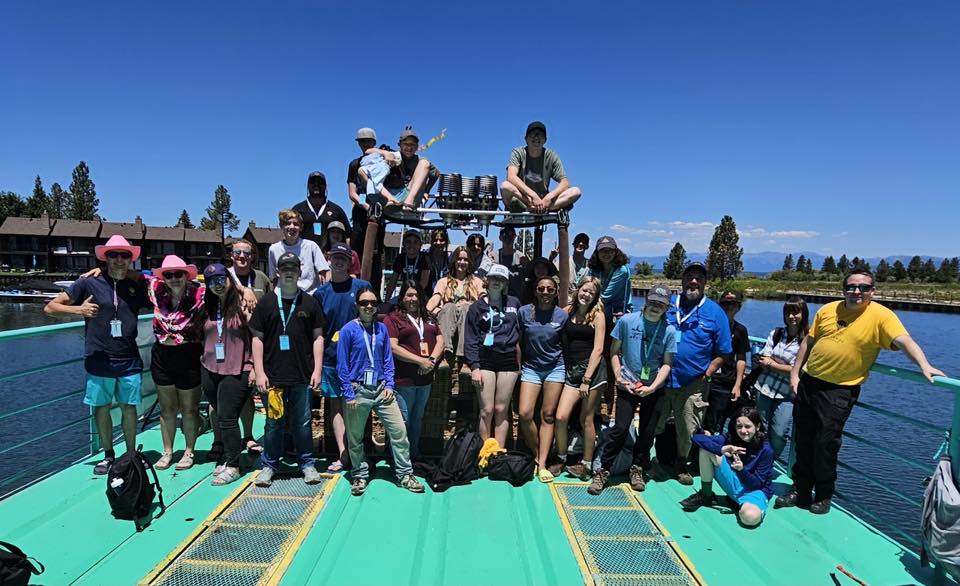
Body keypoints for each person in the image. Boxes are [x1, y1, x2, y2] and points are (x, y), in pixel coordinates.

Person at [778, 269, 945, 514]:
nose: (857, 291)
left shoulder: (881, 316)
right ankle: (800, 490)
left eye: (864, 287)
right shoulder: (828, 309)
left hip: (839, 390)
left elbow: (904, 341)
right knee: (803, 439)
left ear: (872, 291)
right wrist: (795, 373)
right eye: (852, 286)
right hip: (809, 383)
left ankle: (823, 495)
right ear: (843, 289)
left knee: (825, 443)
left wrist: (924, 364)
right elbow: (808, 342)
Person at [44, 235, 149, 474]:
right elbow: (50, 307)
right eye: (114, 255)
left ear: (131, 259)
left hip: (129, 358)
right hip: (99, 358)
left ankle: (131, 454)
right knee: (101, 408)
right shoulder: (87, 283)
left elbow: (162, 285)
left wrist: (138, 276)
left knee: (129, 408)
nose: (119, 260)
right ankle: (108, 455)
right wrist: (78, 309)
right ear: (105, 258)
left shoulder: (136, 284)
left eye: (125, 256)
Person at [589, 284, 677, 495]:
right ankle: (603, 470)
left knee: (647, 432)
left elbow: (667, 363)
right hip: (628, 385)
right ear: (646, 300)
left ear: (667, 308)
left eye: (661, 305)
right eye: (653, 302)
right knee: (619, 428)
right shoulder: (627, 322)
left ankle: (637, 469)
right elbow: (614, 351)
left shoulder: (669, 330)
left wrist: (654, 386)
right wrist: (618, 377)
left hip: (653, 388)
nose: (656, 307)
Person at [338, 287, 424, 496]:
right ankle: (359, 474)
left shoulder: (381, 329)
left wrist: (389, 385)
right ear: (357, 306)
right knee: (355, 437)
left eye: (373, 303)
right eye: (364, 303)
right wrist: (348, 394)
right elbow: (342, 365)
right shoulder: (348, 330)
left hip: (381, 389)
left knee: (399, 431)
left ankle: (405, 474)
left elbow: (387, 359)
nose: (369, 306)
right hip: (358, 390)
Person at [249, 252, 325, 487]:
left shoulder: (310, 302)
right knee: (274, 422)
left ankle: (307, 464)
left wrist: (317, 370)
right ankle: (269, 465)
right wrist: (259, 372)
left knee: (302, 421)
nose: (289, 272)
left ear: (299, 272)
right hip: (274, 377)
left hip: (302, 375)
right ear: (278, 272)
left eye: (293, 268)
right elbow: (257, 339)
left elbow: (318, 338)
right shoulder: (267, 303)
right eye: (285, 268)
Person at [661, 261, 732, 485]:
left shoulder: (715, 312)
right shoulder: (669, 304)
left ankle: (682, 464)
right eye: (689, 276)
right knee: (654, 422)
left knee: (688, 427)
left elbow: (724, 351)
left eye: (699, 278)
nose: (694, 281)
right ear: (682, 280)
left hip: (693, 382)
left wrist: (708, 372)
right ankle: (643, 459)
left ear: (704, 283)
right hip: (661, 378)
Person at [312, 243, 371, 472]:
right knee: (335, 405)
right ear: (329, 260)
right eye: (335, 257)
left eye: (343, 259)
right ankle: (343, 453)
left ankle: (359, 451)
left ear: (350, 263)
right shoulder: (320, 294)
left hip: (358, 359)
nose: (339, 262)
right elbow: (316, 330)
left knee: (357, 405)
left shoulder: (361, 287)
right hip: (330, 359)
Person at [148, 255, 206, 471]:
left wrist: (245, 291)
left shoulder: (200, 294)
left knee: (189, 409)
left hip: (189, 354)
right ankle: (168, 451)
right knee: (167, 409)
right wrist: (97, 270)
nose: (174, 278)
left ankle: (189, 451)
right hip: (162, 356)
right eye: (168, 275)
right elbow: (131, 275)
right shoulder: (155, 292)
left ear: (186, 275)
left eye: (178, 274)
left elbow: (226, 287)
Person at [199, 263, 255, 485]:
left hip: (237, 367)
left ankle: (233, 464)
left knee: (227, 417)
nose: (218, 285)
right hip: (210, 367)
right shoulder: (207, 306)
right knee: (220, 413)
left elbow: (257, 336)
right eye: (212, 282)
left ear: (231, 280)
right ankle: (229, 455)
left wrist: (255, 368)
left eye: (222, 279)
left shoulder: (244, 304)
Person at [681, 407, 775, 527]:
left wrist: (742, 470)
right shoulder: (731, 438)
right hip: (735, 480)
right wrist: (721, 449)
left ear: (757, 427)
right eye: (739, 426)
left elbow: (756, 484)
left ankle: (744, 505)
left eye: (748, 426)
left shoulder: (766, 450)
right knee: (706, 450)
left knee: (749, 518)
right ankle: (706, 495)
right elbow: (696, 438)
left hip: (754, 490)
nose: (743, 431)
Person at [555, 277, 607, 480]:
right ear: (578, 290)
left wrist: (586, 379)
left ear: (595, 297)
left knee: (586, 418)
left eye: (591, 293)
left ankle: (586, 464)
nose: (586, 295)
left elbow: (599, 348)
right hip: (573, 371)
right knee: (561, 417)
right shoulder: (568, 312)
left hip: (592, 373)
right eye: (584, 290)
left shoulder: (598, 316)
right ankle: (561, 457)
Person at [384, 281, 444, 460]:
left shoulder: (429, 318)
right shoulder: (393, 319)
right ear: (402, 297)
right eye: (409, 295)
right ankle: (399, 459)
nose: (413, 299)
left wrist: (431, 361)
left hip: (425, 380)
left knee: (417, 419)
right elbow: (392, 346)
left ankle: (414, 455)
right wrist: (420, 361)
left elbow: (440, 341)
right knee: (402, 421)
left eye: (416, 295)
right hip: (404, 381)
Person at [518, 275, 569, 482]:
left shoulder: (562, 316)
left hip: (555, 368)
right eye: (541, 289)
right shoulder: (524, 313)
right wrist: (518, 367)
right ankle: (540, 454)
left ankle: (542, 463)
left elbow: (566, 344)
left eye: (550, 289)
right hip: (530, 368)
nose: (545, 293)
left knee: (548, 415)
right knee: (524, 413)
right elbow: (519, 342)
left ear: (556, 292)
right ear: (535, 291)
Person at [464, 264, 522, 446]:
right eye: (494, 278)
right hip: (485, 358)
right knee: (486, 410)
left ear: (505, 283)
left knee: (501, 409)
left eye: (501, 279)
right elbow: (471, 339)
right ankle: (483, 452)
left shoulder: (514, 303)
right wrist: (474, 367)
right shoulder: (476, 307)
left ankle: (498, 452)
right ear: (487, 281)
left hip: (508, 358)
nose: (497, 282)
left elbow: (522, 332)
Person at [224, 238, 269, 455]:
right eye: (238, 252)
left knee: (255, 393)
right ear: (231, 255)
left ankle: (252, 436)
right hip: (229, 345)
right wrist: (243, 289)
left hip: (257, 344)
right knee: (224, 397)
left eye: (247, 253)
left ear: (253, 256)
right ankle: (220, 440)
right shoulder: (222, 276)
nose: (242, 256)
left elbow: (270, 307)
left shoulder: (261, 278)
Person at [753, 296, 808, 460]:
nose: (792, 317)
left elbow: (799, 370)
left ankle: (769, 461)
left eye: (796, 312)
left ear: (803, 314)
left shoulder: (808, 340)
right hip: (764, 387)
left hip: (787, 393)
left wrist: (773, 364)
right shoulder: (777, 333)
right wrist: (786, 367)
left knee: (778, 432)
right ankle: (758, 459)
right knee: (761, 427)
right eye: (788, 313)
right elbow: (764, 359)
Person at [500, 121, 581, 214]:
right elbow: (511, 177)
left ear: (545, 140)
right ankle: (531, 207)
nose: (536, 137)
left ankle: (543, 208)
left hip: (544, 201)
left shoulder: (551, 155)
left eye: (540, 135)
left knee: (576, 191)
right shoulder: (518, 152)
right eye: (532, 134)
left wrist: (548, 198)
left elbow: (565, 182)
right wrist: (533, 196)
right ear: (526, 139)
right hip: (525, 199)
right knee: (505, 186)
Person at [427, 246, 485, 363]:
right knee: (449, 307)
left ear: (470, 262)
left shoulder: (477, 282)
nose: (462, 262)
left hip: (468, 316)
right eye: (459, 259)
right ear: (454, 260)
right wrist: (425, 311)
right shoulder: (443, 281)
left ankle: (463, 357)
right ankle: (444, 351)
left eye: (465, 260)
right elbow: (436, 297)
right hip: (448, 316)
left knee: (466, 307)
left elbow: (484, 299)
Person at [704, 290, 750, 434]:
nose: (729, 307)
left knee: (716, 423)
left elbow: (741, 359)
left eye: (733, 304)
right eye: (725, 304)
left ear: (739, 307)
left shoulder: (740, 330)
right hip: (705, 378)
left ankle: (710, 452)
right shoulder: (708, 326)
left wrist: (737, 385)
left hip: (724, 382)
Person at [346, 128, 384, 276]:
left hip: (379, 214)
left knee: (376, 252)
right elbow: (352, 193)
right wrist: (366, 205)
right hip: (360, 213)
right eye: (362, 142)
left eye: (368, 141)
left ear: (374, 142)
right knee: (356, 252)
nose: (365, 144)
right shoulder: (355, 165)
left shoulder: (382, 163)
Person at [268, 209, 330, 294]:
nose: (292, 227)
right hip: (284, 296)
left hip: (309, 295)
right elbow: (274, 278)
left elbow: (326, 272)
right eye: (288, 223)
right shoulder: (273, 249)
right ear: (281, 226)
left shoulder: (311, 246)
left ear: (301, 227)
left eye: (296, 224)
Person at [382, 126, 440, 212]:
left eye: (412, 145)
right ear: (399, 145)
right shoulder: (392, 156)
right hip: (389, 197)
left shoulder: (420, 160)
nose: (409, 148)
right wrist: (384, 153)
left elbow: (436, 174)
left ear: (417, 147)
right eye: (406, 144)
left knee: (424, 163)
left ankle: (409, 201)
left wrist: (426, 191)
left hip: (409, 197)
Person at [292, 171, 351, 246]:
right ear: (307, 186)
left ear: (326, 186)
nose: (316, 184)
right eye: (313, 182)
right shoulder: (297, 209)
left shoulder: (337, 210)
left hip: (329, 255)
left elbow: (348, 235)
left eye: (320, 182)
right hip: (304, 255)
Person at [588, 236, 633, 324]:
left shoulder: (621, 270)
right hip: (598, 304)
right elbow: (586, 285)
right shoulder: (593, 269)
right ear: (597, 253)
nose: (606, 253)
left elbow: (606, 296)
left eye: (610, 250)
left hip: (618, 310)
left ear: (616, 252)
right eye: (603, 250)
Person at [384, 231, 430, 301]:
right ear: (403, 244)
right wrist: (387, 301)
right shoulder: (400, 258)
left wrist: (413, 294)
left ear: (420, 245)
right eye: (408, 242)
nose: (412, 245)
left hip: (422, 295)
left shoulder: (425, 258)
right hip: (405, 294)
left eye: (415, 242)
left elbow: (424, 281)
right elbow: (392, 281)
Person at [550, 232, 590, 298]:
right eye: (578, 241)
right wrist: (551, 259)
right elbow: (550, 272)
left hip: (583, 299)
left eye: (584, 242)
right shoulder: (564, 261)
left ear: (587, 247)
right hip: (566, 300)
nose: (581, 244)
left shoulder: (589, 264)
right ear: (573, 244)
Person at [494, 226, 527, 298]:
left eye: (511, 234)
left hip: (517, 299)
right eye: (505, 234)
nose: (508, 237)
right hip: (497, 298)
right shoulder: (493, 256)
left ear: (515, 237)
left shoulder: (521, 256)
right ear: (500, 237)